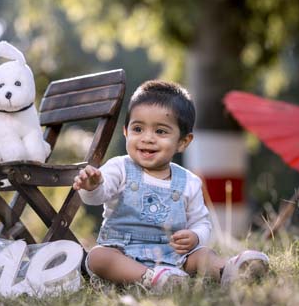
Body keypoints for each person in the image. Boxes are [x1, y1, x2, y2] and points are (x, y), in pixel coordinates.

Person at [73, 80, 269, 291]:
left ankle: (229, 270)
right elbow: (98, 196)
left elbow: (202, 223)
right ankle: (151, 279)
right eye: (138, 129)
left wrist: (195, 237)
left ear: (183, 142)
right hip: (123, 254)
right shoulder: (119, 167)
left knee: (202, 255)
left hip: (175, 258)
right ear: (126, 132)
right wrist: (92, 187)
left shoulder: (189, 182)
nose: (147, 138)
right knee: (98, 257)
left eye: (160, 131)